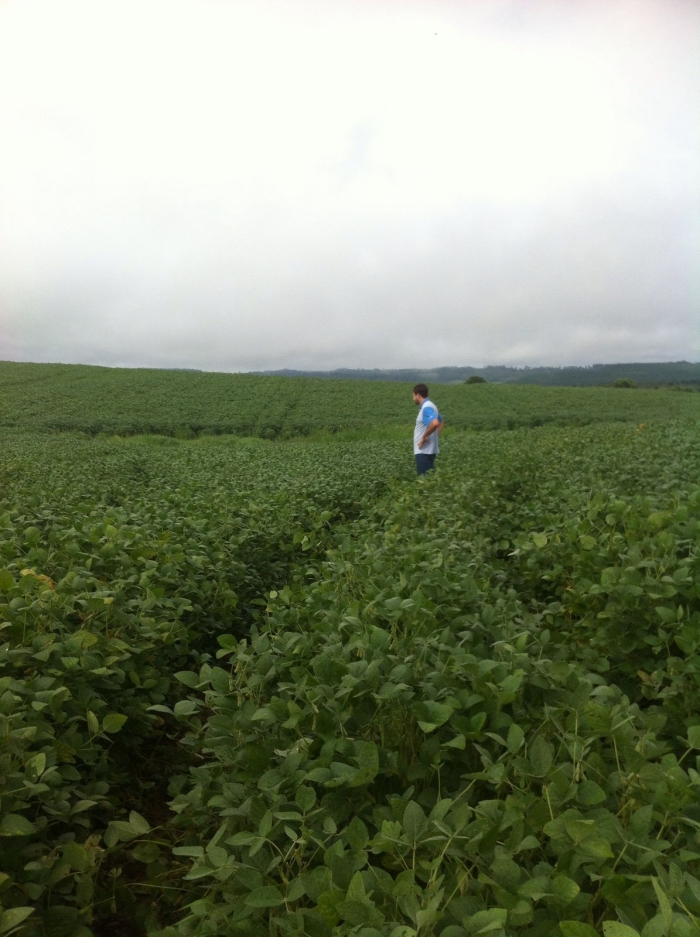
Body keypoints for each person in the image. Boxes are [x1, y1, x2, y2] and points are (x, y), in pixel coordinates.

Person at [412, 383, 444, 475]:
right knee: (430, 479)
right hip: (430, 450)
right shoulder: (432, 405)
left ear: (418, 395)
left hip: (423, 451)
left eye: (413, 395)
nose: (413, 398)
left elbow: (435, 423)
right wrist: (433, 437)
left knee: (424, 480)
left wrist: (424, 437)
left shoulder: (426, 407)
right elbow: (441, 422)